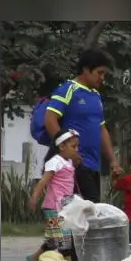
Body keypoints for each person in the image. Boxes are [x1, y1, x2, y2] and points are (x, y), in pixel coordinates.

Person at [43, 49, 123, 203]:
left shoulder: (96, 96)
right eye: (99, 73)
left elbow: (101, 129)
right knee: (77, 214)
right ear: (86, 69)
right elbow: (50, 119)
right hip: (74, 164)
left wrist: (113, 160)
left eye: (104, 74)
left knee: (90, 213)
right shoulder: (68, 89)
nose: (102, 78)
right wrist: (67, 151)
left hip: (94, 166)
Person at [27, 128, 80, 261]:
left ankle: (35, 258)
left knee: (54, 239)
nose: (76, 149)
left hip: (65, 207)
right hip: (54, 208)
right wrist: (34, 197)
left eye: (77, 146)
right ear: (61, 146)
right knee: (63, 238)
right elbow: (44, 181)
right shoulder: (55, 161)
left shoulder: (68, 162)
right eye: (73, 146)